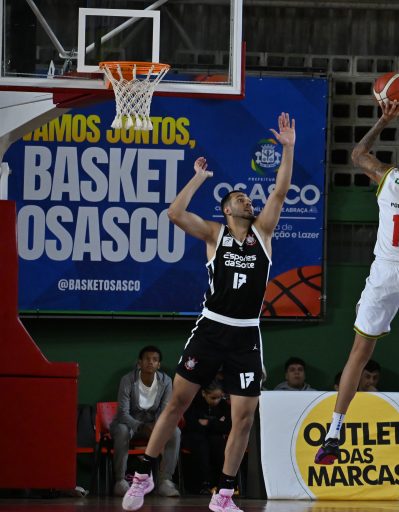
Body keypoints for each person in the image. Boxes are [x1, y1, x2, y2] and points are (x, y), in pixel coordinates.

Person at [121, 112, 296, 512]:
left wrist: (288, 148)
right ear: (226, 210)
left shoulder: (263, 234)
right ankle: (144, 473)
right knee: (177, 403)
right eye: (240, 199)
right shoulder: (215, 234)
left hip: (246, 334)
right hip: (212, 329)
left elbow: (281, 191)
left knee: (244, 418)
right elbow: (174, 213)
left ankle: (224, 494)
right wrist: (198, 178)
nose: (248, 201)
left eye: (248, 198)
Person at [313, 92, 399, 488]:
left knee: (358, 354)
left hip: (386, 272)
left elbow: (358, 154)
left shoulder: (389, 178)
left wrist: (385, 119)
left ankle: (335, 431)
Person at [111, 346, 180, 498]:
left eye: (155, 360)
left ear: (159, 365)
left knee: (175, 431)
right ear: (139, 363)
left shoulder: (166, 381)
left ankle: (165, 481)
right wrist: (141, 426)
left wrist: (158, 427)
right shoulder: (128, 380)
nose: (150, 362)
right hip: (129, 424)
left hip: (153, 425)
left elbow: (165, 410)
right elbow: (123, 413)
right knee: (122, 431)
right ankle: (120, 481)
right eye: (147, 359)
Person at [181, 381, 231, 495]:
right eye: (213, 398)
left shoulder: (223, 406)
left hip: (214, 438)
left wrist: (208, 423)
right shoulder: (194, 404)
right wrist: (216, 423)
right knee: (201, 446)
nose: (216, 401)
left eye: (219, 398)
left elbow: (226, 426)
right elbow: (191, 425)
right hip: (195, 437)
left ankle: (218, 484)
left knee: (218, 444)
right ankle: (202, 484)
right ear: (204, 393)